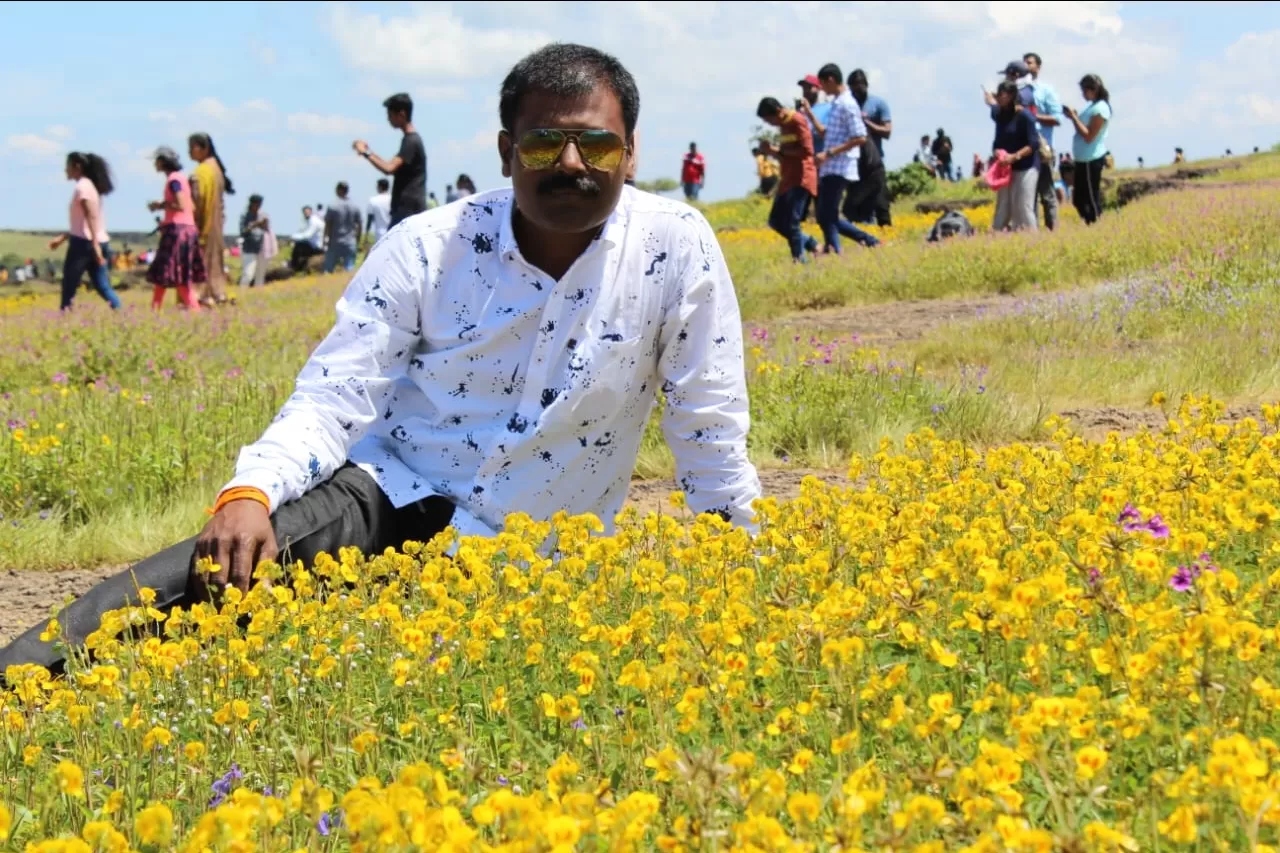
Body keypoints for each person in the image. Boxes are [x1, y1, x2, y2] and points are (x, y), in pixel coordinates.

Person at [0, 42, 762, 676]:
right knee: (194, 583)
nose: (570, 163)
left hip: (535, 563)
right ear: (506, 152)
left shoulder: (676, 247)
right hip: (391, 497)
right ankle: (18, 680)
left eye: (595, 143)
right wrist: (250, 492)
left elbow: (709, 431)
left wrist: (746, 593)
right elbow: (336, 394)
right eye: (542, 143)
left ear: (630, 154)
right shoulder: (428, 246)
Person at [813, 63, 879, 252]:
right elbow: (829, 134)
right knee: (826, 215)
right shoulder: (837, 104)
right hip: (830, 166)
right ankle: (840, 247)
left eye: (823, 84)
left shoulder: (847, 104)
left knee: (827, 215)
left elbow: (859, 136)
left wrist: (830, 153)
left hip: (839, 166)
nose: (822, 90)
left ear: (831, 81)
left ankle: (849, 246)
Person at [50, 152, 122, 311]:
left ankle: (65, 317)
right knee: (102, 285)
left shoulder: (82, 187)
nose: (65, 170)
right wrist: (63, 238)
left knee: (69, 284)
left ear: (77, 166)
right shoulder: (91, 187)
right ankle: (122, 313)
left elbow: (91, 217)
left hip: (84, 244)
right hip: (96, 240)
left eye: (67, 166)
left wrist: (94, 244)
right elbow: (83, 220)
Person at [756, 97, 819, 262]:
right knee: (776, 221)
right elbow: (785, 155)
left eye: (769, 119)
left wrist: (779, 151)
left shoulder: (796, 120)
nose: (769, 124)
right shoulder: (783, 126)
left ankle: (799, 260)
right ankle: (811, 244)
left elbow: (807, 151)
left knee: (792, 222)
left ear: (777, 112)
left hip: (801, 177)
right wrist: (770, 151)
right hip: (788, 178)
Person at [353, 93, 427, 227]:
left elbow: (389, 168)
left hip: (407, 210)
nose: (388, 119)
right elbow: (391, 165)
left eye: (390, 115)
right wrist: (368, 152)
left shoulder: (411, 141)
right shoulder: (410, 140)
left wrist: (365, 152)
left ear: (402, 114)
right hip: (408, 209)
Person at [146, 146, 204, 310]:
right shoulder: (181, 179)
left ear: (163, 162)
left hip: (176, 232)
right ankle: (193, 310)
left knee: (165, 273)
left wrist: (160, 205)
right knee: (180, 276)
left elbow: (180, 203)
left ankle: (156, 310)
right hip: (188, 230)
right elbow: (190, 207)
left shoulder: (174, 181)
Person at [189, 133, 234, 308]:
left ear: (204, 149)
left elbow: (197, 198)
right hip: (217, 224)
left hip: (204, 224)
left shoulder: (202, 172)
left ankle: (202, 297)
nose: (190, 152)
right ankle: (218, 294)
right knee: (215, 262)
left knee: (203, 262)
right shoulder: (216, 169)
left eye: (192, 147)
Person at [990, 80, 1040, 232]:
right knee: (1003, 206)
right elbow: (997, 142)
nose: (1000, 99)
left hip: (1026, 166)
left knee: (1023, 205)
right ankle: (998, 236)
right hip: (1007, 167)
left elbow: (1033, 144)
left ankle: (1032, 237)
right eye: (999, 96)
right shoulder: (1000, 116)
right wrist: (997, 153)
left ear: (1012, 97)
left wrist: (1015, 156)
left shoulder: (1025, 116)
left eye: (1003, 96)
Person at [1021, 52, 1062, 231]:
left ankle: (1052, 229)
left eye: (1029, 63)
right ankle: (1033, 231)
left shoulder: (1046, 90)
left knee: (1046, 192)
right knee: (1029, 195)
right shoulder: (1018, 91)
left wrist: (1032, 116)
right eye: (1024, 63)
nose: (1026, 66)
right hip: (1024, 148)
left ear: (1038, 66)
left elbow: (1056, 118)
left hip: (1042, 147)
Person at [1063, 73, 1112, 225]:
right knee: (1078, 198)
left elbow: (1089, 135)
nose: (1083, 94)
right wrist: (1074, 118)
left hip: (1092, 158)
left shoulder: (1100, 109)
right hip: (1082, 159)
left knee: (1091, 197)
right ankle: (1089, 223)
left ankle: (1097, 224)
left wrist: (1074, 118)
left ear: (1094, 89)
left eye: (1085, 91)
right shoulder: (1091, 107)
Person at [847, 69, 892, 226]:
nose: (857, 91)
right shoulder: (847, 105)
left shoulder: (878, 104)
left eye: (860, 86)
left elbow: (887, 131)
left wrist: (867, 123)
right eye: (853, 88)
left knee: (881, 203)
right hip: (854, 162)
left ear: (866, 85)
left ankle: (886, 232)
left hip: (874, 162)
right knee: (854, 205)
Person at [323, 182, 363, 274]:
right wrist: (358, 239)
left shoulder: (332, 206)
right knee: (349, 268)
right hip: (350, 241)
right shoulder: (355, 206)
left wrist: (325, 239)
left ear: (338, 190)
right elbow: (360, 225)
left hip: (335, 241)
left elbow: (328, 224)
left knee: (328, 269)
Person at [238, 194, 270, 287]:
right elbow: (242, 231)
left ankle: (258, 296)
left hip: (262, 248)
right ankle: (242, 293)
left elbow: (267, 231)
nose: (258, 207)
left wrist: (264, 224)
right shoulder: (244, 215)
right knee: (248, 274)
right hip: (249, 248)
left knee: (260, 276)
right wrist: (255, 224)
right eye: (256, 204)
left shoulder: (263, 215)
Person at [796, 74, 832, 153]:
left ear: (818, 88)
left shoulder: (828, 108)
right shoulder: (800, 111)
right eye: (804, 88)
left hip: (822, 157)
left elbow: (827, 135)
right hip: (806, 160)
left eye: (809, 87)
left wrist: (809, 112)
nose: (806, 91)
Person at [289, 206, 325, 273]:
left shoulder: (314, 221)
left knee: (298, 246)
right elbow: (303, 231)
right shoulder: (310, 220)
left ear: (311, 212)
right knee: (299, 245)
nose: (305, 214)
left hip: (317, 246)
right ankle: (297, 266)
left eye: (307, 212)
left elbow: (307, 235)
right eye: (304, 213)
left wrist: (293, 237)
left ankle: (294, 267)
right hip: (313, 244)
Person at [366, 178, 391, 246]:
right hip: (391, 232)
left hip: (379, 233)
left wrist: (366, 235)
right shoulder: (392, 200)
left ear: (379, 187)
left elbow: (370, 219)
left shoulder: (373, 200)